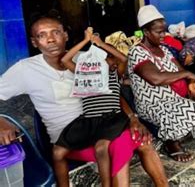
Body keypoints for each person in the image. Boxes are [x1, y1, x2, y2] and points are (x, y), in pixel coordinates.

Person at [0, 16, 168, 186]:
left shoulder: (86, 60)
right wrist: (2, 122)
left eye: (55, 32)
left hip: (102, 123)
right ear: (34, 42)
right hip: (69, 138)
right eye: (42, 35)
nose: (50, 39)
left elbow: (111, 93)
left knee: (142, 140)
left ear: (65, 35)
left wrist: (133, 118)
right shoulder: (25, 69)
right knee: (118, 145)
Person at [128, 5, 195, 162]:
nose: (163, 35)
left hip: (176, 98)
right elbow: (156, 78)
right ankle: (171, 141)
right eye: (159, 32)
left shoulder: (164, 50)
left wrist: (192, 81)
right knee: (191, 108)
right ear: (146, 32)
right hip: (153, 104)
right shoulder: (137, 52)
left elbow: (180, 69)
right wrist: (188, 74)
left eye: (164, 30)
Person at [52, 27, 132, 187]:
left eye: (110, 57)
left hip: (110, 118)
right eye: (104, 57)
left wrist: (100, 44)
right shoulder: (84, 72)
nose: (108, 60)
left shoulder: (114, 74)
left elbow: (123, 59)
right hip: (87, 121)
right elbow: (65, 60)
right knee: (57, 152)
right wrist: (86, 41)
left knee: (101, 148)